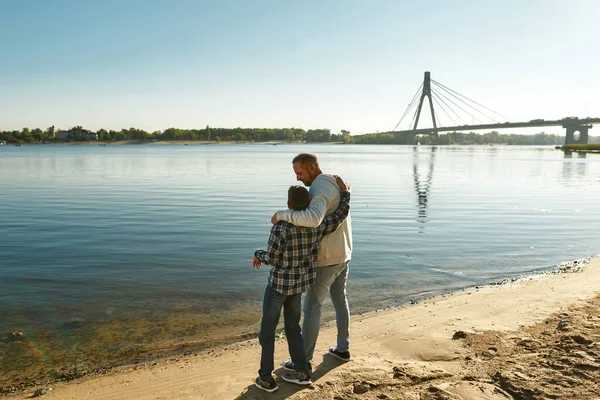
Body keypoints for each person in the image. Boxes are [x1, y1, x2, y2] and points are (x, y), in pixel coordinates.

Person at [253, 175, 351, 392]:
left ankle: (266, 378)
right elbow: (340, 215)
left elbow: (272, 258)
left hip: (279, 286)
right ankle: (303, 371)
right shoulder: (318, 226)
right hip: (298, 286)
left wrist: (258, 254)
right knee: (293, 327)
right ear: (308, 205)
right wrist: (345, 194)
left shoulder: (281, 227)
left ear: (288, 205)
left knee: (267, 332)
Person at [272, 153, 353, 372]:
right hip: (343, 253)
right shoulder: (332, 183)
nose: (298, 178)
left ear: (312, 167)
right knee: (339, 299)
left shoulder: (319, 188)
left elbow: (313, 219)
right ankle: (343, 348)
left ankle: (304, 360)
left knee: (312, 307)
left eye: (300, 172)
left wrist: (281, 214)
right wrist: (346, 193)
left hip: (327, 258)